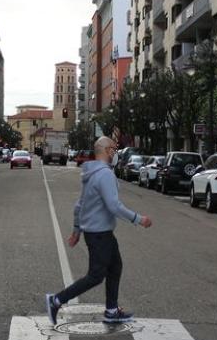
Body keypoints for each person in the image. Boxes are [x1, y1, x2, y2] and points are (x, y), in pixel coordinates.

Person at [46, 136, 152, 325]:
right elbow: (114, 206)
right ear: (103, 150)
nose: (115, 152)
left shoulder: (92, 172)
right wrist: (138, 219)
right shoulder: (104, 174)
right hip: (99, 233)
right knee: (95, 276)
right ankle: (56, 300)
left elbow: (79, 205)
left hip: (99, 233)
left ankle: (111, 310)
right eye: (113, 148)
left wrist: (77, 229)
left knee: (115, 267)